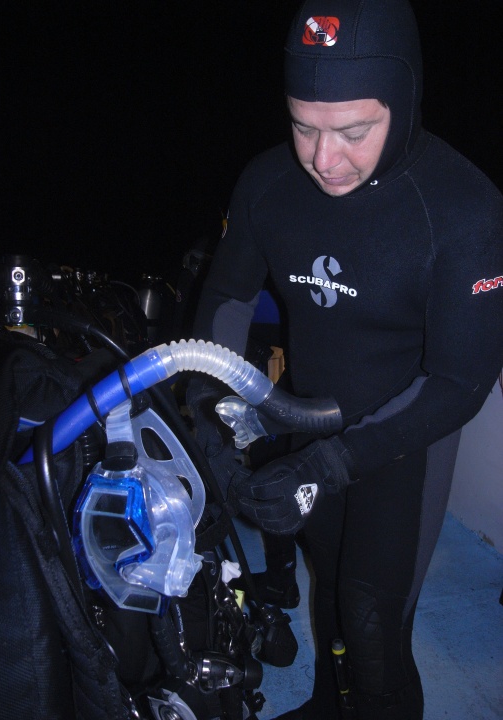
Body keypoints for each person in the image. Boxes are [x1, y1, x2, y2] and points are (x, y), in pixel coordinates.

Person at [188, 0, 503, 718]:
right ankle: (328, 706)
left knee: (371, 622)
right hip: (308, 421)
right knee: (328, 586)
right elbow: (228, 298)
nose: (324, 160)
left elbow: (461, 383)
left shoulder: (464, 210)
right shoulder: (267, 182)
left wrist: (330, 465)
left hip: (407, 443)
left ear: (405, 100)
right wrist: (209, 416)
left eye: (354, 131)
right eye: (303, 127)